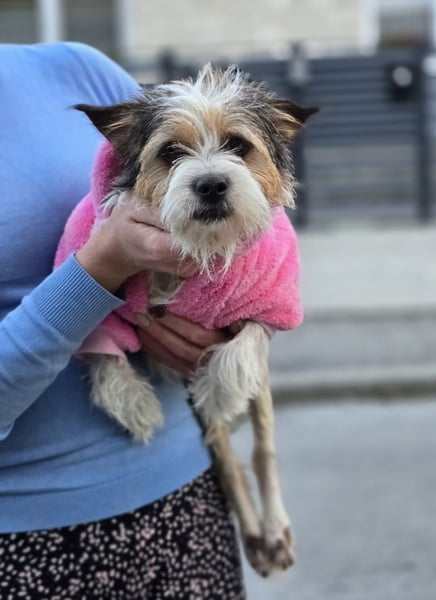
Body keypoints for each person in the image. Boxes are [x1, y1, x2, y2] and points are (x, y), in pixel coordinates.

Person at [0, 42, 246, 599]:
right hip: (24, 544)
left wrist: (230, 324)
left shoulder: (76, 69)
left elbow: (243, 201)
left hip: (183, 501)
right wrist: (100, 268)